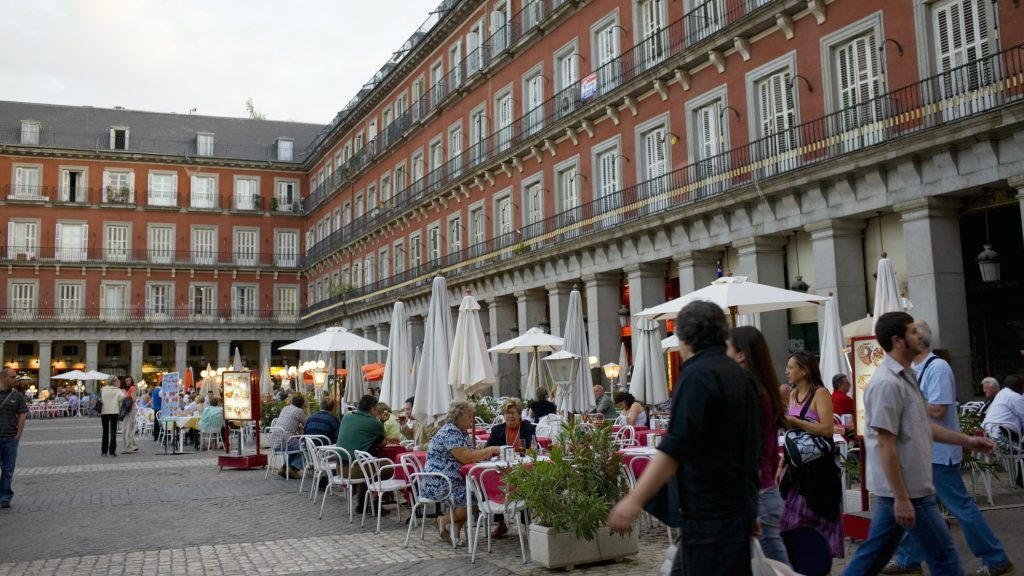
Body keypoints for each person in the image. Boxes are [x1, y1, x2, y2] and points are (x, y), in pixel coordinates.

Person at [608, 301, 761, 575]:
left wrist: (633, 500)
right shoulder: (743, 378)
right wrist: (752, 506)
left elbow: (674, 447)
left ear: (683, 339)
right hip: (737, 511)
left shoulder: (696, 376)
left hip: (708, 516)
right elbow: (751, 449)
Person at [842, 312, 996, 576]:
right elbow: (885, 445)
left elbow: (922, 426)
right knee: (944, 557)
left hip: (910, 490)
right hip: (908, 490)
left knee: (871, 559)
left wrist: (968, 440)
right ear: (898, 340)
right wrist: (902, 498)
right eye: (913, 332)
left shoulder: (906, 376)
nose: (920, 336)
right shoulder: (886, 384)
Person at [881, 320, 1014, 576]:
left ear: (919, 339)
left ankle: (995, 557)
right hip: (923, 452)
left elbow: (939, 410)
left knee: (959, 506)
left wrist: (907, 399)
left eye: (909, 333)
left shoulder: (937, 368)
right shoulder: (915, 368)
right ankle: (909, 559)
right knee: (918, 503)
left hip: (938, 453)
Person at [727, 326, 791, 566]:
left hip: (759, 495)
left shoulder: (752, 393)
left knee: (775, 567)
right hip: (764, 492)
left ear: (741, 354)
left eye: (727, 348)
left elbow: (747, 448)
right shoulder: (762, 391)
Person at [779, 350, 844, 558]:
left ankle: (820, 566)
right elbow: (793, 436)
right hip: (797, 472)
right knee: (790, 524)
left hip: (820, 472)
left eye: (791, 367)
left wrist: (795, 421)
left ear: (804, 370)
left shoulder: (820, 393)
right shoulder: (792, 395)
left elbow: (827, 429)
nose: (787, 371)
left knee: (821, 526)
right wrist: (781, 465)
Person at [421, 400, 502, 545]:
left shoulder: (461, 432)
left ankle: (453, 529)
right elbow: (467, 458)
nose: (472, 420)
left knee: (479, 492)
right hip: (439, 482)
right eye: (469, 416)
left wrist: (482, 453)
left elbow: (470, 454)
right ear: (459, 416)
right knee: (480, 495)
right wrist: (491, 449)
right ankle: (444, 519)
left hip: (454, 479)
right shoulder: (450, 432)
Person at [484, 398, 537, 540]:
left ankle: (526, 522)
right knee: (493, 480)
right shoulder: (497, 430)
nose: (510, 416)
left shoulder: (529, 428)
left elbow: (533, 449)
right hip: (501, 470)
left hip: (521, 469)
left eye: (513, 413)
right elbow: (487, 450)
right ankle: (501, 523)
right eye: (507, 413)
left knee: (526, 483)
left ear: (520, 414)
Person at [0, 369, 30, 509]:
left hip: (10, 438)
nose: (15, 379)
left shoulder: (17, 396)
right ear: (3, 378)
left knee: (8, 469)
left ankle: (5, 497)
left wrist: (18, 435)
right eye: (12, 377)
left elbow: (22, 415)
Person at [336, 395, 386, 460]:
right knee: (391, 465)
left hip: (340, 465)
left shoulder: (346, 417)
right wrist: (381, 422)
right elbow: (382, 444)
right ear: (373, 409)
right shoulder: (375, 423)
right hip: (359, 465)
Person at [982, 373, 1024, 447]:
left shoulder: (1002, 393)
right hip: (1003, 440)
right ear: (1017, 386)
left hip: (989, 435)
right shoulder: (1015, 397)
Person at [271, 395, 306, 479]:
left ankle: (284, 468)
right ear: (302, 404)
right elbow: (306, 424)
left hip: (274, 441)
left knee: (295, 447)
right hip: (284, 442)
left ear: (292, 402)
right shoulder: (299, 411)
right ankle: (294, 469)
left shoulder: (285, 408)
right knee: (306, 446)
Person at [99, 378, 125, 457]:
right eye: (117, 381)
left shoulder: (103, 389)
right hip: (114, 412)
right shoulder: (117, 390)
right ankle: (112, 451)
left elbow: (101, 399)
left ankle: (104, 451)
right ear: (113, 382)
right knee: (113, 432)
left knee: (105, 432)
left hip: (104, 412)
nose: (118, 382)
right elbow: (122, 398)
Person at [121, 375, 139, 453]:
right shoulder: (126, 389)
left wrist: (126, 397)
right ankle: (133, 445)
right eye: (126, 381)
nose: (128, 382)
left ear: (132, 381)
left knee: (127, 428)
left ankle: (129, 447)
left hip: (131, 409)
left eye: (129, 380)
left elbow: (134, 399)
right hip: (128, 410)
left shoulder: (132, 388)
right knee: (127, 428)